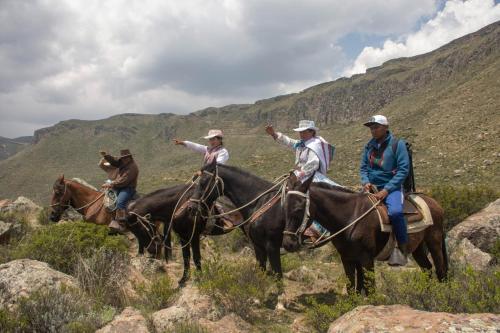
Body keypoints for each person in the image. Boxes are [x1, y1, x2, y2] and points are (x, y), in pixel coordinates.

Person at [265, 120, 337, 239]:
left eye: (304, 132)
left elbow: (314, 163)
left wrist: (299, 174)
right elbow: (289, 142)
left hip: (311, 177)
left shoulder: (315, 144)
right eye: (300, 132)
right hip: (299, 176)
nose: (301, 134)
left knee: (310, 199)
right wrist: (274, 134)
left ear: (311, 132)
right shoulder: (302, 144)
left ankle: (318, 229)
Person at [360, 115, 410, 266]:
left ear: (385, 128)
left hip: (392, 187)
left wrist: (386, 190)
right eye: (371, 128)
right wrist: (366, 182)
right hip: (372, 188)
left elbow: (403, 170)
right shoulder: (369, 146)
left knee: (395, 212)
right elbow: (363, 168)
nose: (373, 130)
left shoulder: (397, 144)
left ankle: (402, 248)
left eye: (376, 127)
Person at [100, 149, 139, 234]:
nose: (124, 159)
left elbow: (124, 180)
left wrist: (110, 184)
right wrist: (106, 156)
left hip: (128, 188)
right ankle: (112, 220)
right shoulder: (123, 163)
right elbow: (114, 161)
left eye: (125, 158)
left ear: (129, 157)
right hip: (119, 187)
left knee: (120, 202)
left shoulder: (132, 167)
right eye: (123, 158)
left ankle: (122, 224)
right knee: (108, 200)